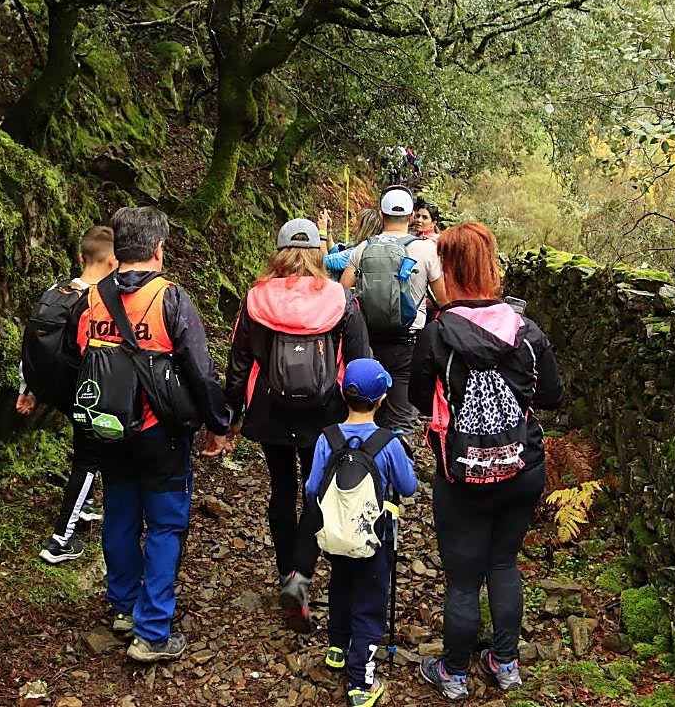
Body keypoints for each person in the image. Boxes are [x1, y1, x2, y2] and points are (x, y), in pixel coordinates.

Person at [407, 222, 564, 700]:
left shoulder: (436, 335)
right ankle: (506, 662)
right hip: (522, 466)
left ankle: (454, 674)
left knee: (462, 579)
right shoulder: (527, 331)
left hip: (462, 472)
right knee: (503, 564)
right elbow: (553, 396)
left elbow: (417, 398)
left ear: (447, 269)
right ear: (490, 266)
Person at [75, 206, 233, 663]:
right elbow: (201, 372)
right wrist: (218, 425)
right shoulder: (170, 298)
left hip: (106, 426)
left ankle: (124, 607)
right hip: (158, 430)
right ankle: (153, 631)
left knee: (121, 517)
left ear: (119, 248)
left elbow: (78, 356)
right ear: (158, 249)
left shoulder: (92, 298)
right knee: (165, 525)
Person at [223, 218, 371, 632]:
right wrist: (363, 419)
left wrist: (230, 416)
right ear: (319, 253)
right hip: (325, 413)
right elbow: (360, 363)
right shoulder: (341, 300)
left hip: (270, 411)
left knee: (282, 489)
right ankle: (301, 576)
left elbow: (238, 365)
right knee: (318, 492)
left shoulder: (255, 299)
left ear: (278, 251)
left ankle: (285, 570)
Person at [305, 358, 417, 707]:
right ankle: (360, 683)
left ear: (342, 391)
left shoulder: (328, 438)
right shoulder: (388, 443)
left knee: (340, 585)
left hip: (335, 535)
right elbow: (408, 486)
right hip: (373, 539)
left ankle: (337, 647)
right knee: (369, 603)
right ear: (383, 397)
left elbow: (311, 488)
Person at [18, 226, 118, 564]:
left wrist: (28, 389)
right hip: (81, 391)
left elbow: (29, 339)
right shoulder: (98, 302)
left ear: (80, 257)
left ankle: (85, 505)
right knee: (89, 460)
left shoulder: (56, 290)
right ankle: (60, 540)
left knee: (84, 444)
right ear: (114, 262)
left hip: (51, 386)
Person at [341, 186, 446, 436]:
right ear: (411, 217)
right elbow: (445, 301)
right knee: (400, 417)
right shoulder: (426, 249)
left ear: (381, 213)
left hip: (368, 341)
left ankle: (364, 464)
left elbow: (341, 293)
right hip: (408, 343)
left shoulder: (363, 248)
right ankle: (396, 463)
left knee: (366, 410)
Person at [322, 208, 383, 281]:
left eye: (357, 218)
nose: (351, 220)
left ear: (364, 226)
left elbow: (322, 261)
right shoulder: (364, 247)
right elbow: (335, 251)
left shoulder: (356, 252)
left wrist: (322, 232)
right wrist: (328, 231)